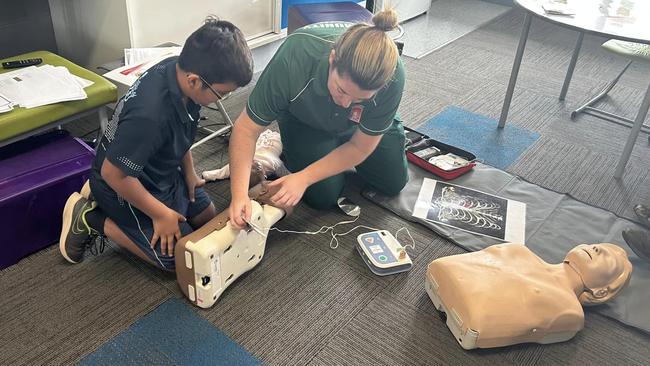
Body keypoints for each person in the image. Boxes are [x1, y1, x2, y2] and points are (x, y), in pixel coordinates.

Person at [58, 18, 253, 271]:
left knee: (208, 217)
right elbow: (112, 173)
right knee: (181, 261)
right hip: (119, 183)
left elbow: (183, 127)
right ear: (194, 80)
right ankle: (91, 217)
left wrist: (190, 173)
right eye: (221, 94)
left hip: (159, 169)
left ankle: (161, 208)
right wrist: (161, 214)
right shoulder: (150, 116)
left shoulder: (181, 73)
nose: (223, 99)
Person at [228, 8, 408, 229]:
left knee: (393, 183)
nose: (346, 104)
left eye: (360, 98)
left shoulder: (393, 75)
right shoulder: (295, 56)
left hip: (361, 125)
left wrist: (304, 177)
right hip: (305, 119)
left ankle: (326, 150)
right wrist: (238, 196)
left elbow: (360, 147)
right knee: (322, 197)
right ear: (332, 59)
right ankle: (294, 148)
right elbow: (246, 128)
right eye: (341, 90)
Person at [427, 243, 632, 349]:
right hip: (445, 277)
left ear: (602, 291)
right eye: (597, 245)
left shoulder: (569, 311)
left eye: (607, 257)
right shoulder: (517, 250)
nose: (596, 248)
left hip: (469, 319)